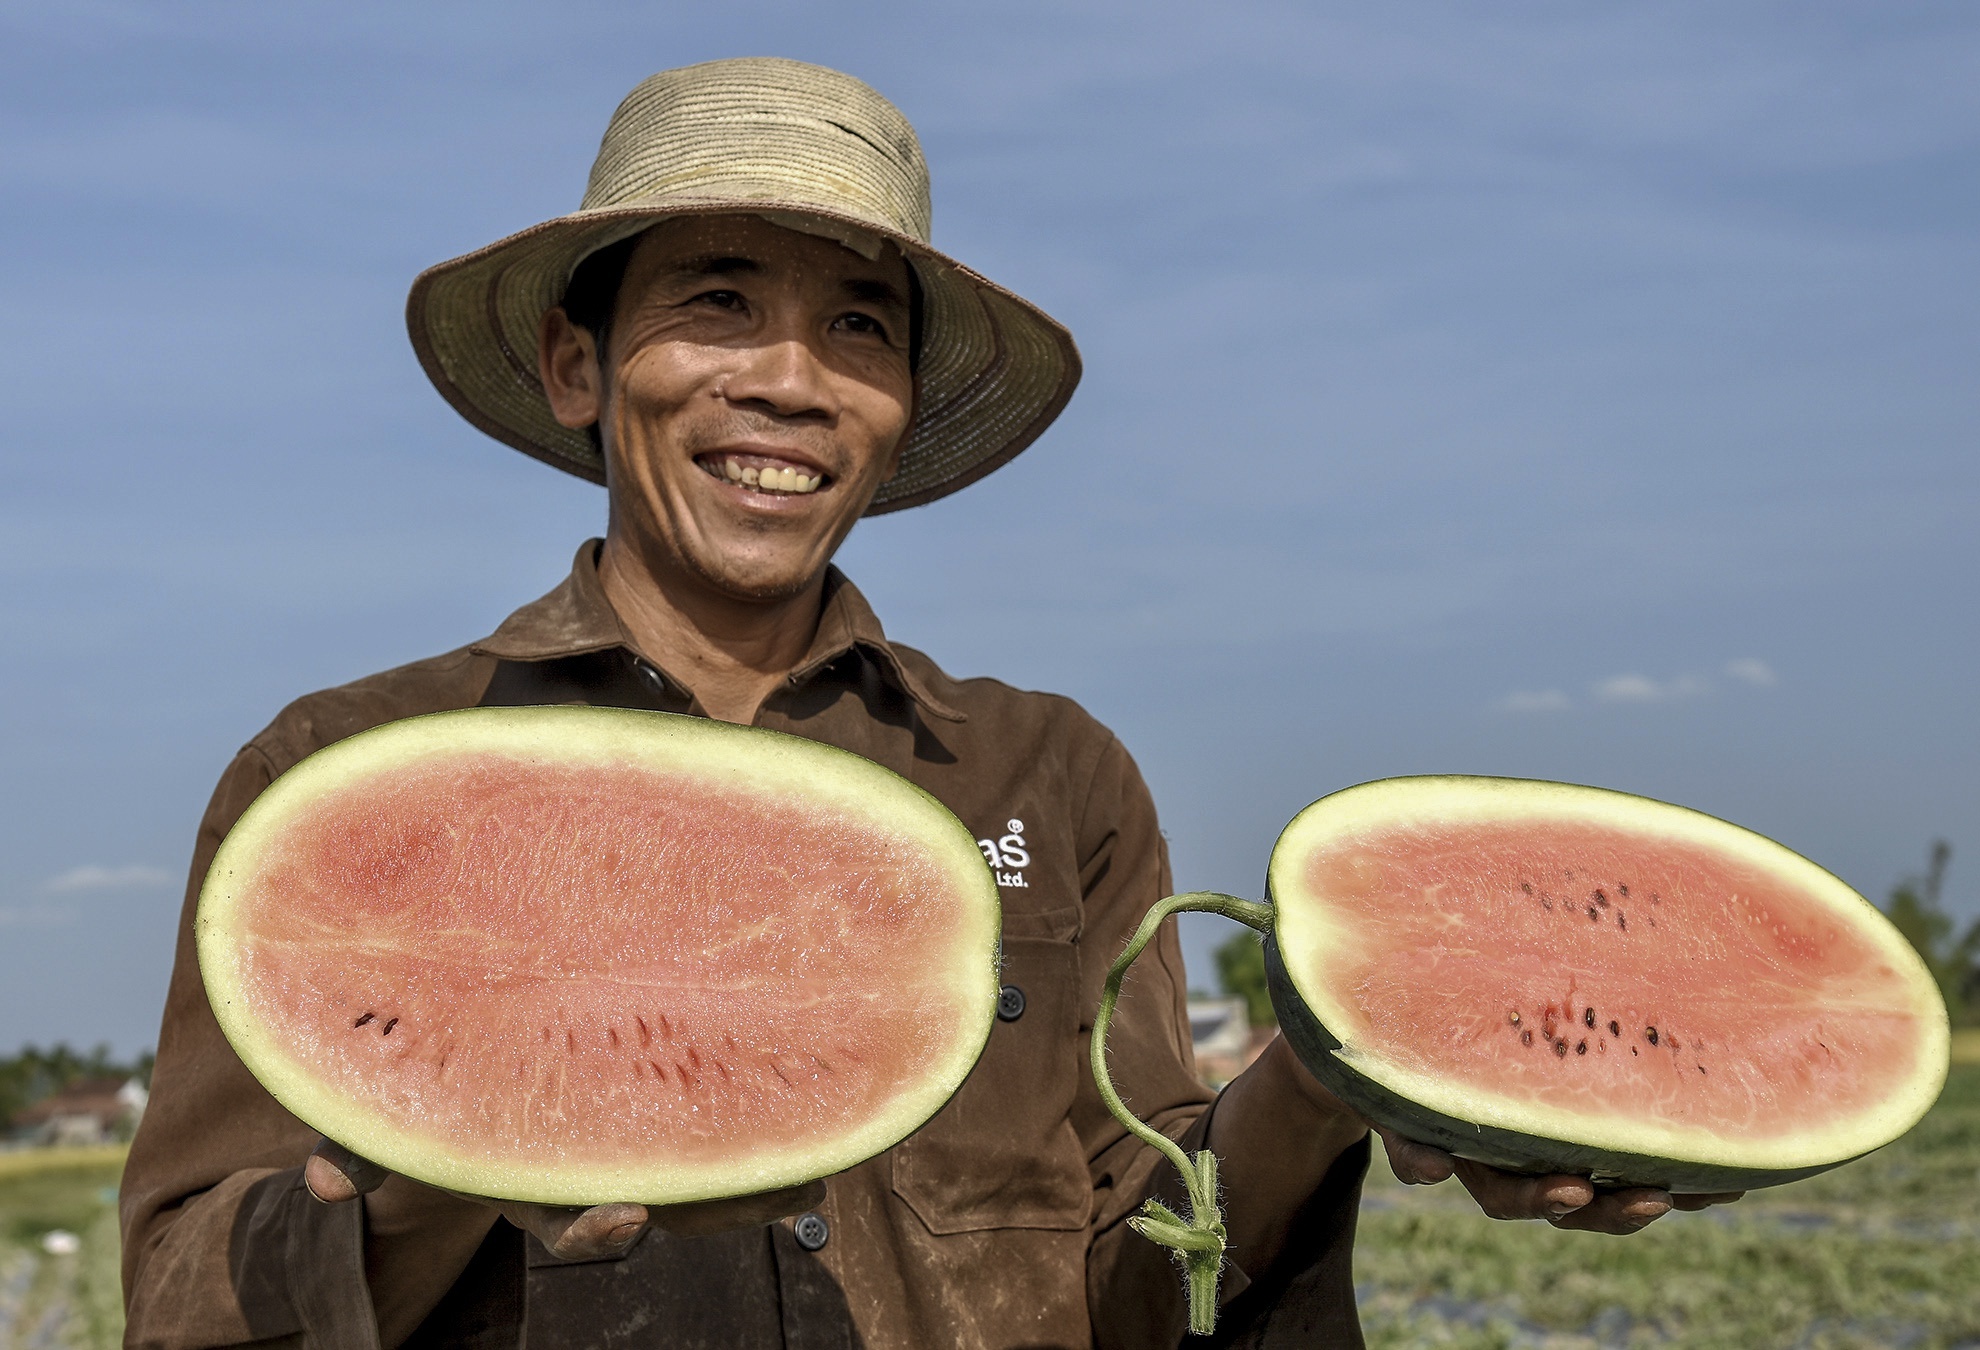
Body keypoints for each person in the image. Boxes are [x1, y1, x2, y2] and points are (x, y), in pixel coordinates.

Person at [120, 57, 1738, 1350]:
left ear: (897, 410)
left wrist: (1327, 1081)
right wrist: (423, 1180)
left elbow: (1143, 1271)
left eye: (858, 327)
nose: (789, 379)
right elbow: (180, 1290)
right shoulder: (342, 774)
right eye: (716, 302)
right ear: (575, 365)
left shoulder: (1051, 775)